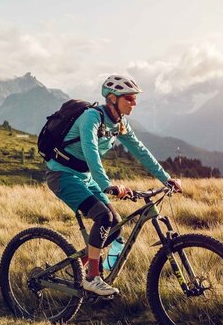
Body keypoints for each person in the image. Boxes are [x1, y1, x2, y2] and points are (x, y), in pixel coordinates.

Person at [45, 75, 180, 296]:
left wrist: (166, 178)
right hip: (62, 174)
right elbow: (90, 151)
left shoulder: (120, 124)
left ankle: (79, 268)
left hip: (84, 176)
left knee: (115, 224)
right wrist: (107, 185)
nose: (134, 103)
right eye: (129, 98)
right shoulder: (91, 118)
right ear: (112, 99)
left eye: (135, 98)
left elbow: (140, 150)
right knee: (103, 217)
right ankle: (92, 278)